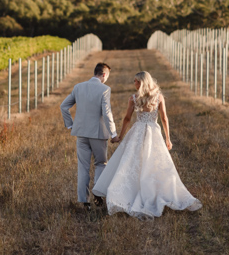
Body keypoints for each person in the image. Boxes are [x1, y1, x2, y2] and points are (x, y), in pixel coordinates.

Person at [92, 71, 201, 219]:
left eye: (136, 81)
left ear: (143, 82)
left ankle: (151, 193)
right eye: (134, 81)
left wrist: (121, 136)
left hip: (140, 131)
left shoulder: (134, 98)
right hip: (151, 131)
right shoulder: (157, 97)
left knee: (149, 163)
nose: (134, 84)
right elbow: (163, 118)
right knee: (134, 163)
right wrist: (167, 138)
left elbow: (128, 119)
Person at [60, 62, 119, 209]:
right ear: (104, 75)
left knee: (83, 167)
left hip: (81, 133)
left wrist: (70, 124)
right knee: (100, 163)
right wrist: (114, 132)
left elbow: (64, 106)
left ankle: (84, 202)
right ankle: (98, 193)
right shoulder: (105, 89)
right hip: (98, 133)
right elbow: (107, 113)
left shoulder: (78, 87)